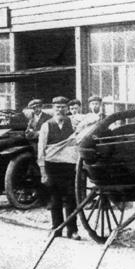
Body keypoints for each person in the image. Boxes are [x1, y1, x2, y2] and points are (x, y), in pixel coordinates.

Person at [37, 96, 80, 240]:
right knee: (55, 198)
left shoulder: (73, 124)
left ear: (67, 109)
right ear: (53, 109)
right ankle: (56, 228)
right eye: (57, 107)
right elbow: (41, 150)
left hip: (70, 165)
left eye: (63, 107)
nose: (60, 110)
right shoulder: (46, 126)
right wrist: (43, 172)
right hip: (52, 166)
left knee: (71, 198)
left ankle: (72, 230)